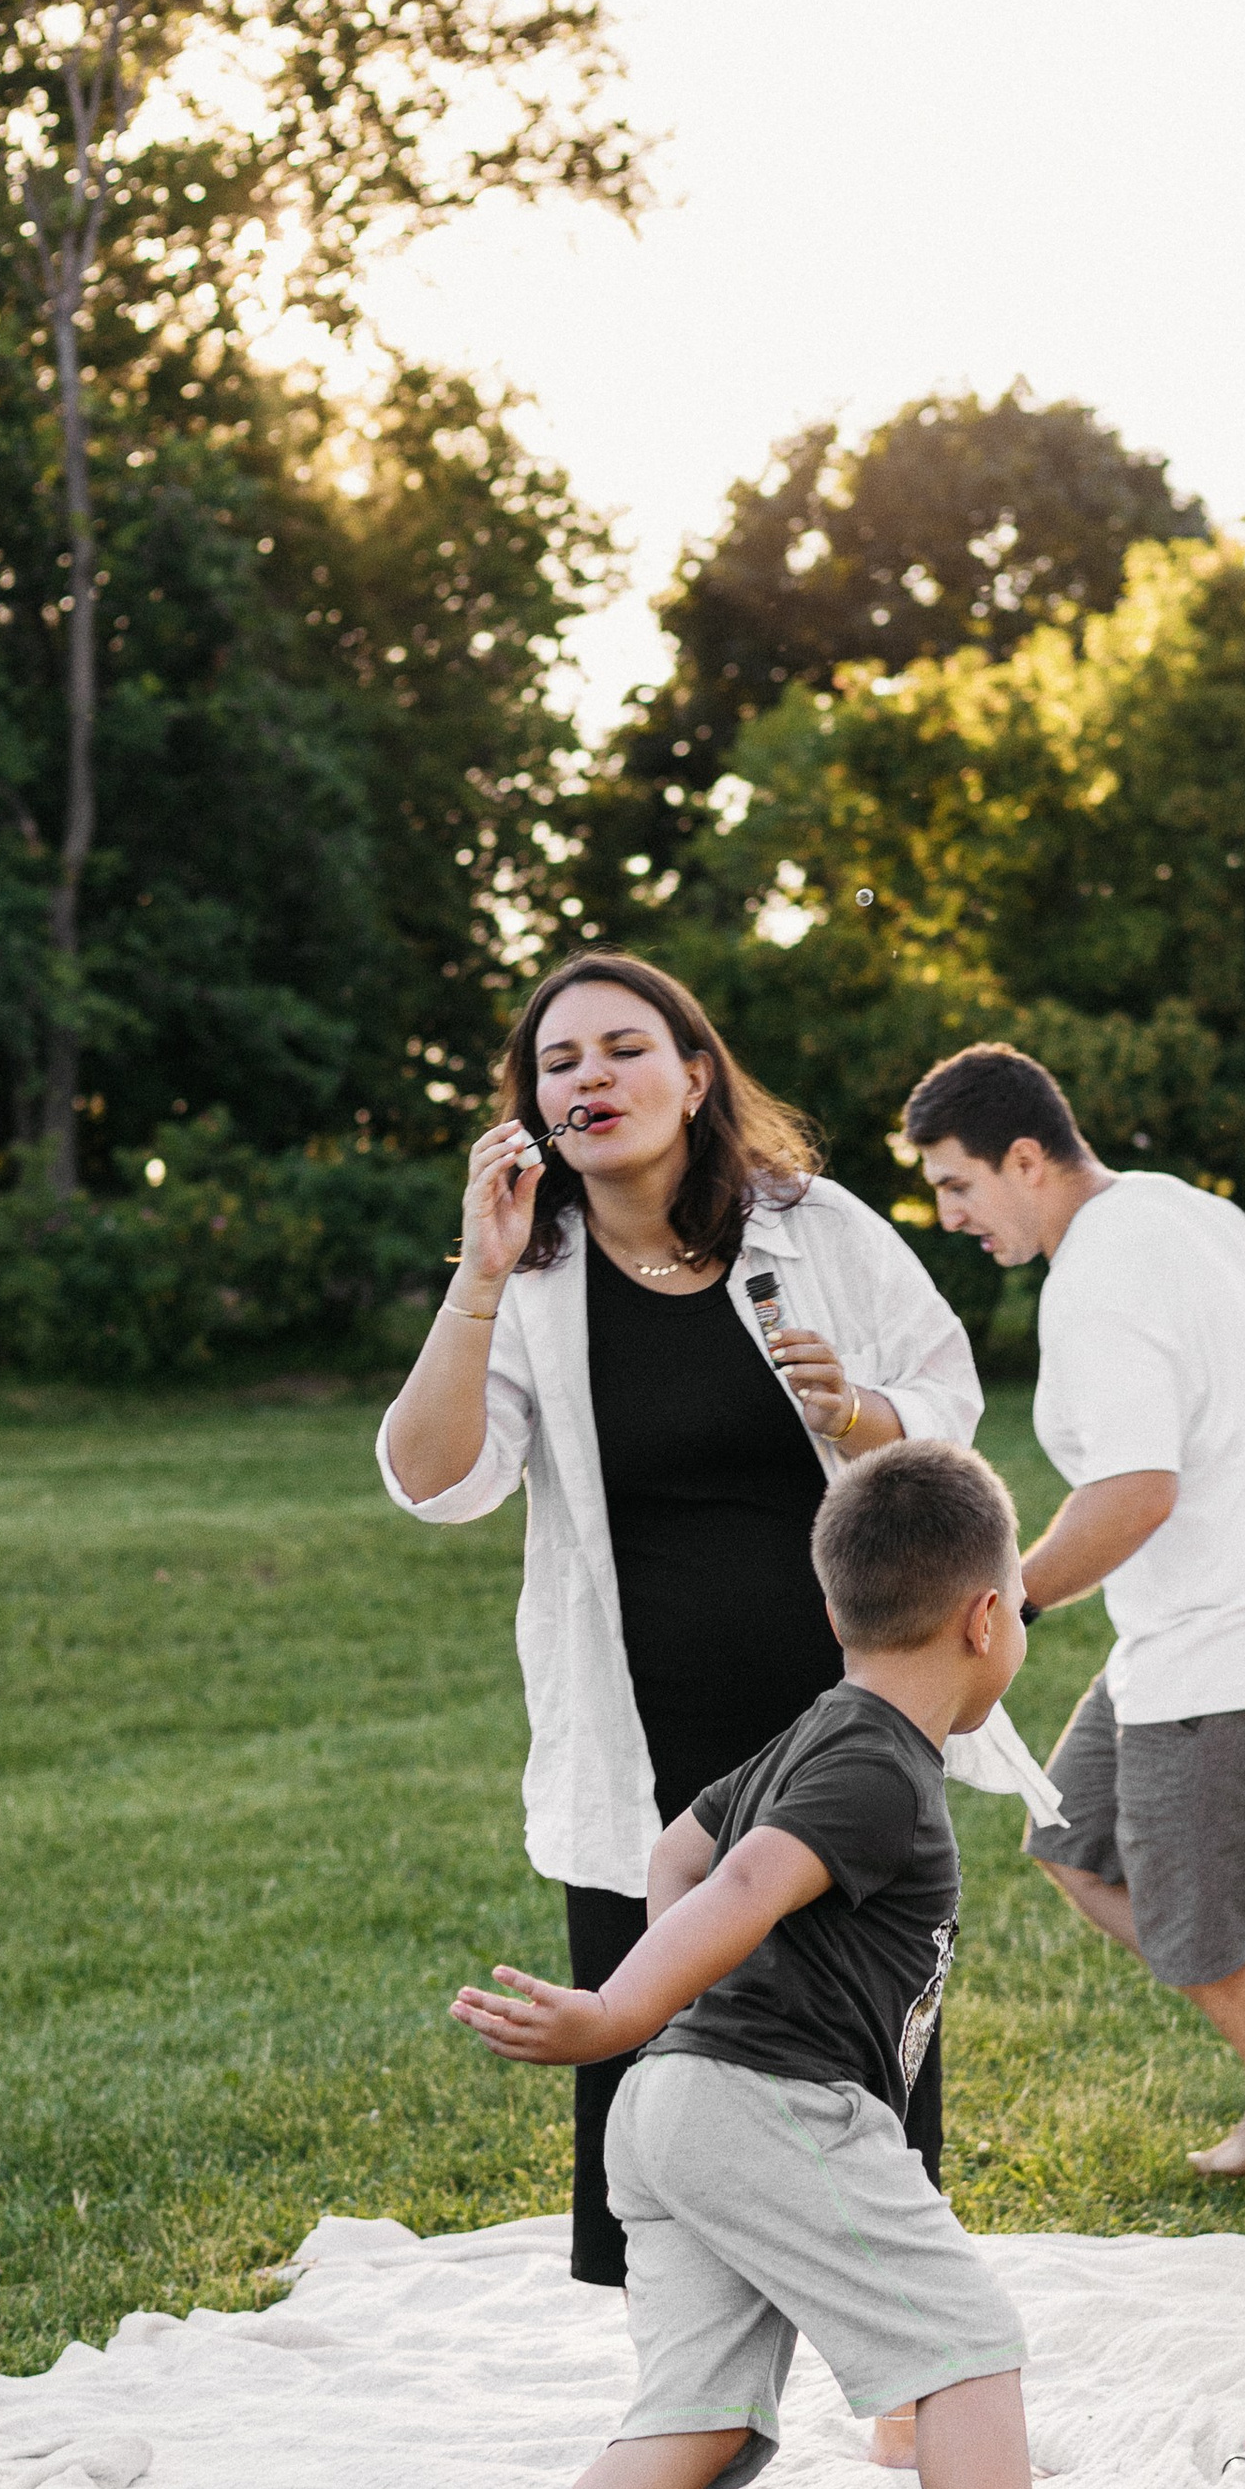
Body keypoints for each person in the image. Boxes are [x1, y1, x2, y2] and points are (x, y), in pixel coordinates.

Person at [442, 1437, 1220, 2489]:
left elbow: (681, 1852)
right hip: (770, 2106)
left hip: (682, 2106)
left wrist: (677, 2024)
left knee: (691, 2414)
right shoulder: (874, 1766)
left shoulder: (816, 1732)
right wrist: (627, 2006)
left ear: (833, 1612)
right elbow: (738, 1888)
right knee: (964, 2339)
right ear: (989, 1619)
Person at [378, 953, 985, 2288]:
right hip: (640, 1720)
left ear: (695, 1073)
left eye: (624, 1047)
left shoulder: (815, 1226)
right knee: (655, 2050)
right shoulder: (531, 1279)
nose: (592, 1076)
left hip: (835, 1711)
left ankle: (900, 2350)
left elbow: (950, 1395)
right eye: (560, 1061)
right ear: (533, 1108)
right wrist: (477, 1280)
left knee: (862, 2016)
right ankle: (685, 2373)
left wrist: (865, 1417)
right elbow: (435, 1481)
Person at [902, 1044, 1245, 2236]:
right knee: (1070, 1838)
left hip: (1230, 1648)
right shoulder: (1176, 1205)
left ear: (1027, 1158)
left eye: (956, 1185)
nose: (949, 1216)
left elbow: (1132, 1494)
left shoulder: (1099, 1279)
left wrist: (1007, 1608)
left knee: (1201, 1943)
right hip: (1194, 1631)